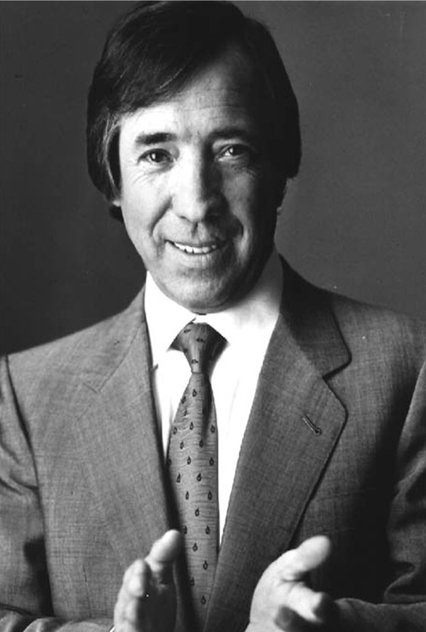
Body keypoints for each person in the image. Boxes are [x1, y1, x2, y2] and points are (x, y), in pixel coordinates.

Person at [1, 2, 426, 631]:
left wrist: (329, 626)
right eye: (156, 155)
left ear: (280, 168)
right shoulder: (26, 397)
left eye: (231, 150)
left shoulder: (408, 369)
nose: (197, 203)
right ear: (112, 178)